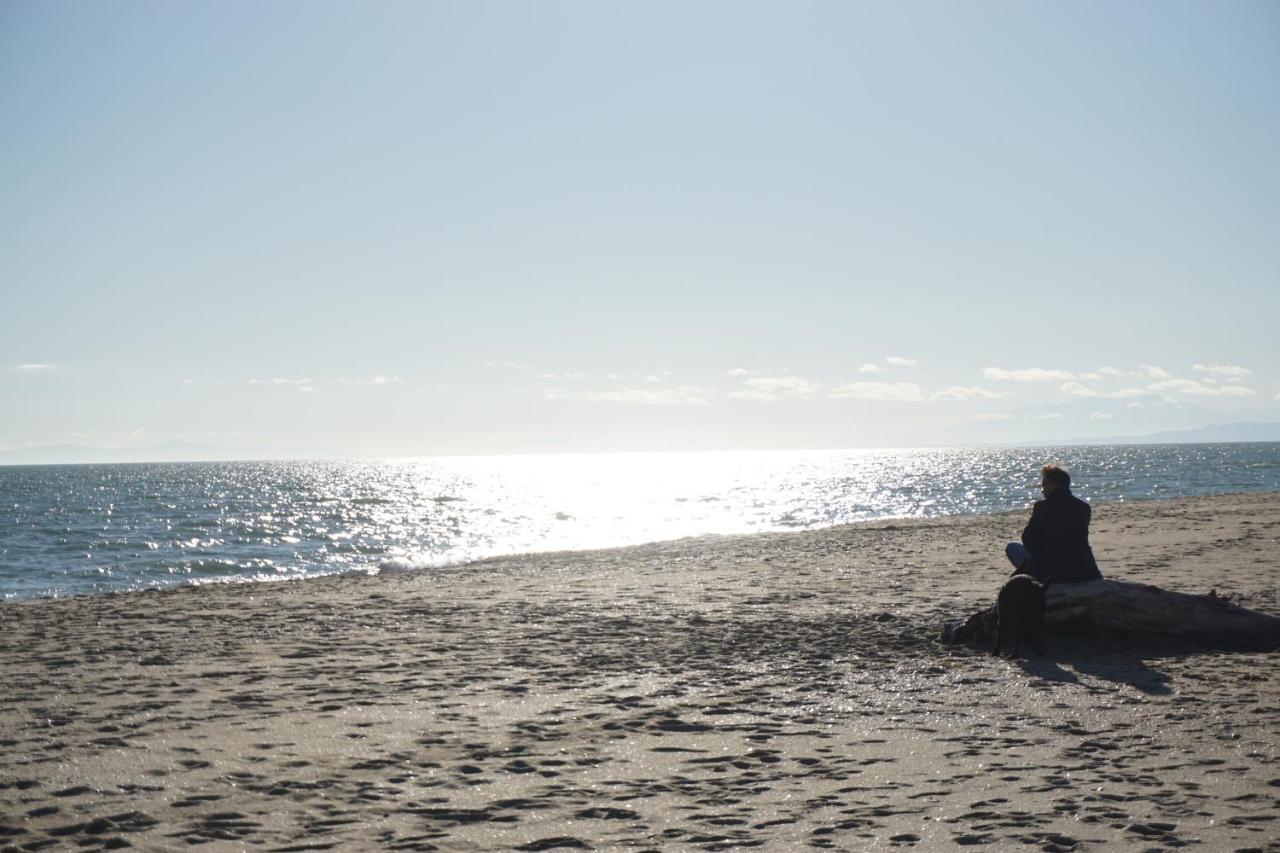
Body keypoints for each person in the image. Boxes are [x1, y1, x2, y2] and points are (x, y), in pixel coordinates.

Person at [1005, 464, 1101, 584]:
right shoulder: (1083, 507)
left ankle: (1034, 580)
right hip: (1085, 569)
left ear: (1054, 484)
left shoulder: (1042, 507)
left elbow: (1028, 540)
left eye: (1044, 485)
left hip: (1052, 571)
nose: (1042, 490)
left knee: (1013, 547)